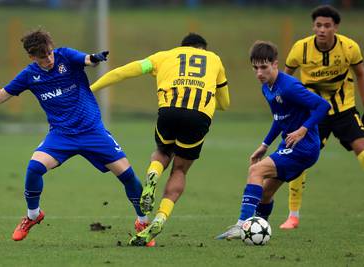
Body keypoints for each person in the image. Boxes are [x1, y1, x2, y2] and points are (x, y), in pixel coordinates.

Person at [0, 28, 152, 244]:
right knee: (34, 169)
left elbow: (87, 59)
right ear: (32, 57)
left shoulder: (65, 56)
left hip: (92, 131)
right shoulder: (29, 76)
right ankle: (33, 215)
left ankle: (143, 223)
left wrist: (95, 58)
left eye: (50, 53)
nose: (49, 59)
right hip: (62, 135)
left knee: (128, 177)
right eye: (43, 57)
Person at [90, 33, 230, 246]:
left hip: (169, 111)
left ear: (182, 47)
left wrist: (91, 89)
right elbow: (225, 103)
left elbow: (125, 72)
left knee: (163, 151)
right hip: (198, 116)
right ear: (202, 48)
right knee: (180, 170)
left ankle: (152, 177)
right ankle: (160, 218)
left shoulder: (165, 56)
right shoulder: (214, 59)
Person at [216, 40, 330, 240]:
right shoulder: (267, 87)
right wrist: (264, 145)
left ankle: (241, 225)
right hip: (289, 145)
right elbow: (280, 119)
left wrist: (303, 130)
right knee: (265, 193)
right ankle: (257, 232)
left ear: (275, 64)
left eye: (264, 67)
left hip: (304, 147)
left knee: (255, 170)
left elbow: (322, 105)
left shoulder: (289, 87)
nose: (259, 73)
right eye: (255, 68)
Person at [281, 5, 364, 230]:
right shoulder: (301, 49)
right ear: (313, 26)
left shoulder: (349, 48)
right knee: (300, 158)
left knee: (361, 147)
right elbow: (284, 79)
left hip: (345, 110)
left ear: (335, 27)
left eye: (327, 26)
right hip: (314, 114)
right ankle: (293, 215)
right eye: (318, 25)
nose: (322, 30)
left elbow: (360, 75)